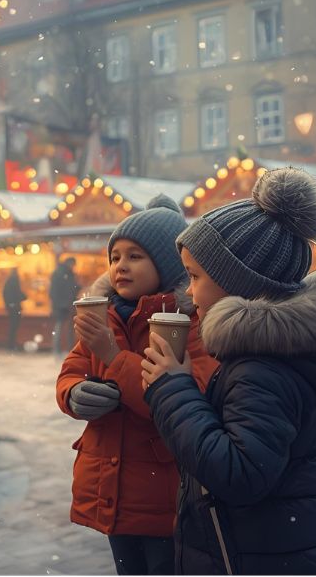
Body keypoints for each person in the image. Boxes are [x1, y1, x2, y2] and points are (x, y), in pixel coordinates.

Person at [141, 168, 316, 574]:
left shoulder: (262, 368)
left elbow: (240, 475)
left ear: (238, 283)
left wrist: (172, 388)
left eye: (195, 276)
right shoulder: (278, 352)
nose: (189, 292)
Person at [57, 195, 219, 576]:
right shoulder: (105, 314)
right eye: (115, 257)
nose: (121, 266)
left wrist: (113, 356)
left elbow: (185, 399)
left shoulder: (189, 322)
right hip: (110, 488)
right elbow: (72, 370)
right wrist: (75, 394)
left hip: (162, 492)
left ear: (166, 263)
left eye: (135, 256)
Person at [49, 256, 80, 358]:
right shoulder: (61, 273)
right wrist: (62, 303)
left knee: (64, 328)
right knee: (60, 328)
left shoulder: (65, 273)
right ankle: (58, 350)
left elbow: (71, 288)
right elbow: (55, 291)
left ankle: (64, 350)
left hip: (66, 305)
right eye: (73, 264)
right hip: (62, 306)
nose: (73, 267)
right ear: (69, 263)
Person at [2, 268, 27, 350]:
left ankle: (11, 344)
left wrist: (8, 304)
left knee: (13, 326)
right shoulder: (14, 280)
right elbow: (17, 292)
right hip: (14, 307)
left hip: (11, 307)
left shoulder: (9, 281)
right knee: (14, 326)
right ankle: (11, 344)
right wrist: (24, 297)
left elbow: (7, 294)